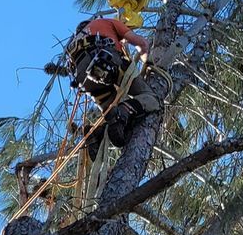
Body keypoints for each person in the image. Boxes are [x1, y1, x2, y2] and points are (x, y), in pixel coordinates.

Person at [46, 16, 160, 155]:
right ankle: (123, 111)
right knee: (152, 99)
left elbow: (68, 72)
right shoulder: (105, 22)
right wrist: (148, 65)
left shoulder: (74, 45)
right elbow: (142, 44)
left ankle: (95, 133)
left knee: (112, 118)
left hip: (87, 81)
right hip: (107, 62)